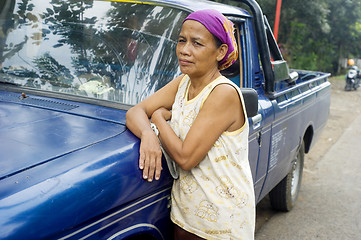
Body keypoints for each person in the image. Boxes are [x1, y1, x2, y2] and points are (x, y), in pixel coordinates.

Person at [126, 9, 255, 239]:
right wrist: (147, 134)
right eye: (182, 41)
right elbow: (136, 111)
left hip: (221, 224)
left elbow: (186, 158)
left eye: (197, 43)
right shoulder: (184, 83)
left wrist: (157, 119)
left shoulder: (222, 93)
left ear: (220, 51)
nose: (185, 50)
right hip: (187, 216)